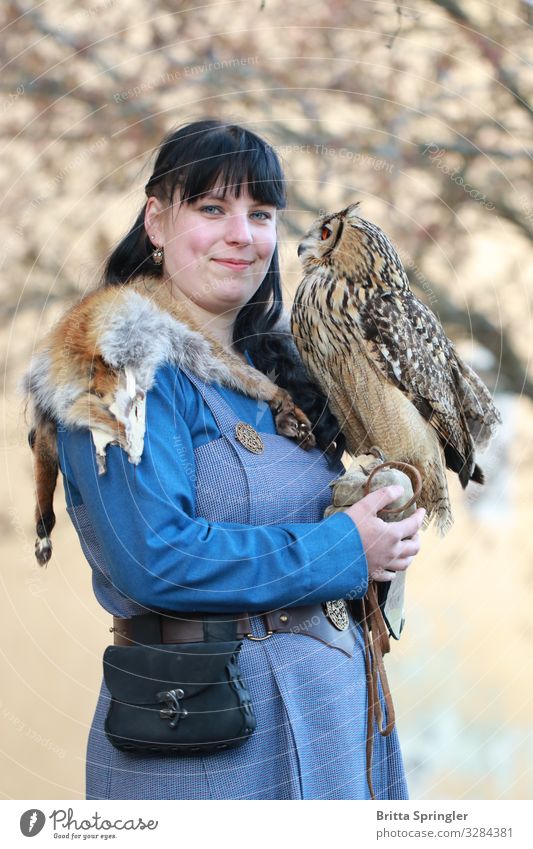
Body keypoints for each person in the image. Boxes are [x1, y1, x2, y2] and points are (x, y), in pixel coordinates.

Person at [36, 119, 424, 800]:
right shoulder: (115, 364)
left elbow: (333, 533)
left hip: (336, 714)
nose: (242, 234)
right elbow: (154, 555)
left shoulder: (287, 375)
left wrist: (382, 529)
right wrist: (342, 546)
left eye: (261, 213)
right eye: (211, 208)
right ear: (156, 220)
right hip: (202, 736)